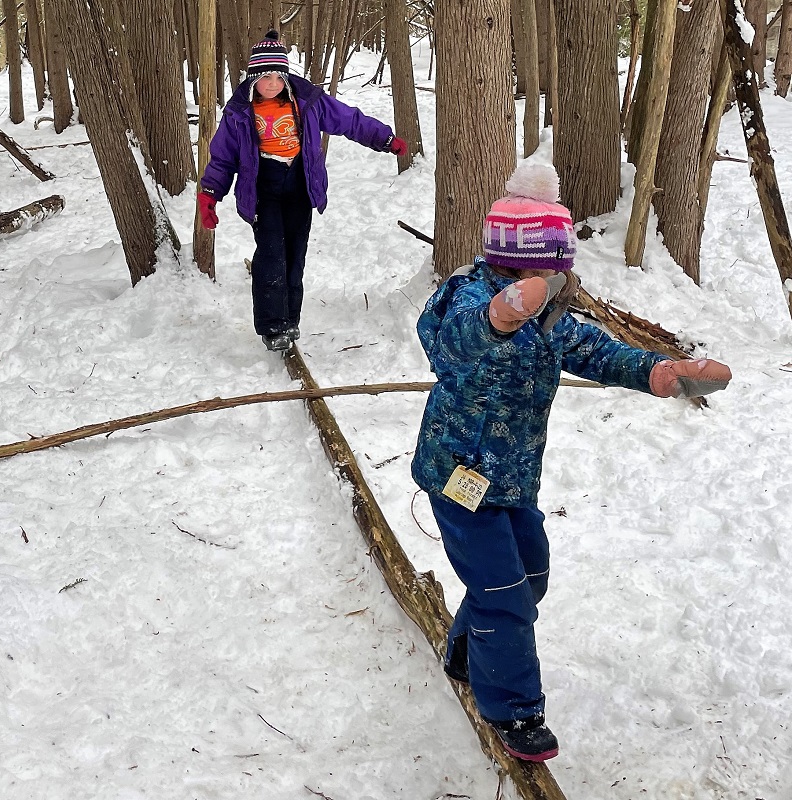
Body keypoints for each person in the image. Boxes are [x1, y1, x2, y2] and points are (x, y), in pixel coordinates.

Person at [410, 163, 732, 762]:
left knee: (530, 577)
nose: (555, 278)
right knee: (503, 592)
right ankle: (514, 709)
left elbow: (599, 351)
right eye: (544, 267)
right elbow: (447, 341)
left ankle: (468, 648)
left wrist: (659, 372)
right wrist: (498, 317)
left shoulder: (553, 316)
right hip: (457, 477)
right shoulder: (469, 296)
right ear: (515, 259)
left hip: (512, 482)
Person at [197, 30, 407, 352]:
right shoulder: (239, 111)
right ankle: (272, 325)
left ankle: (290, 320)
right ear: (253, 78)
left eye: (278, 77)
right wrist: (210, 194)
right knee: (271, 253)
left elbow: (348, 119)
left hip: (299, 184)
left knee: (295, 253)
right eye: (265, 77)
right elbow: (223, 157)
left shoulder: (306, 101)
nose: (272, 84)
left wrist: (383, 138)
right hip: (263, 187)